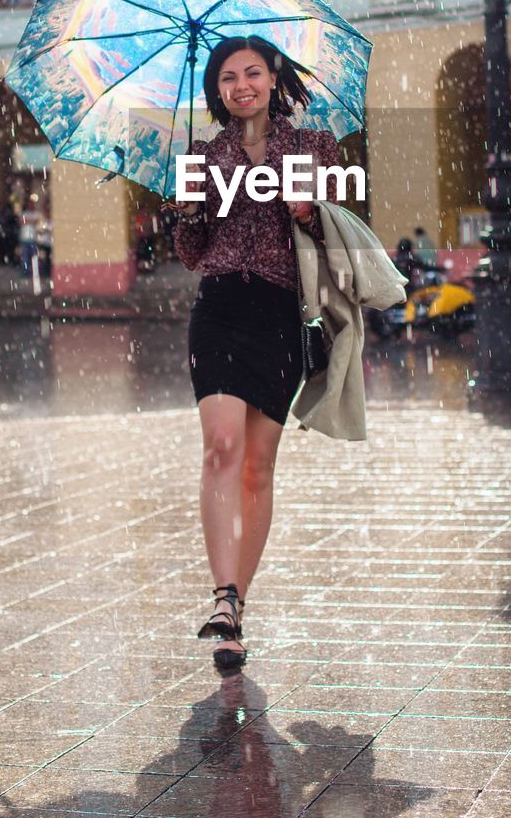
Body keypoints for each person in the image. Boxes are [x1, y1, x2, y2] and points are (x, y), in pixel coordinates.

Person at [172, 34, 340, 674]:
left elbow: (334, 231)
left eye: (251, 73)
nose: (240, 86)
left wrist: (309, 211)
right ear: (216, 91)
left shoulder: (310, 146)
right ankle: (221, 598)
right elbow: (192, 253)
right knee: (221, 447)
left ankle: (236, 609)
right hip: (217, 309)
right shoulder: (204, 154)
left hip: (278, 314)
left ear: (273, 78)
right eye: (226, 79)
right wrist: (186, 212)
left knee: (256, 468)